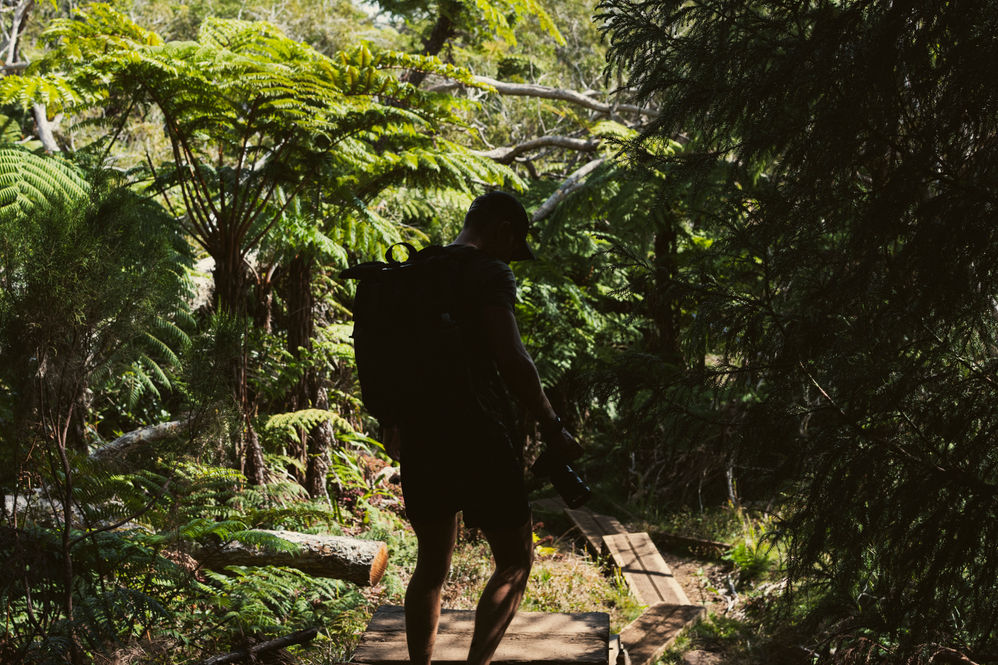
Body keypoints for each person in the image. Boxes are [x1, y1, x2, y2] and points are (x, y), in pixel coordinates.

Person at [381, 191, 580, 665]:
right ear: (505, 232)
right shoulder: (488, 272)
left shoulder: (414, 272)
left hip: (422, 437)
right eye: (514, 248)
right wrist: (553, 426)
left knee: (431, 565)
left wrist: (395, 421)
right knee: (514, 560)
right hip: (480, 436)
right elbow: (513, 360)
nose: (513, 259)